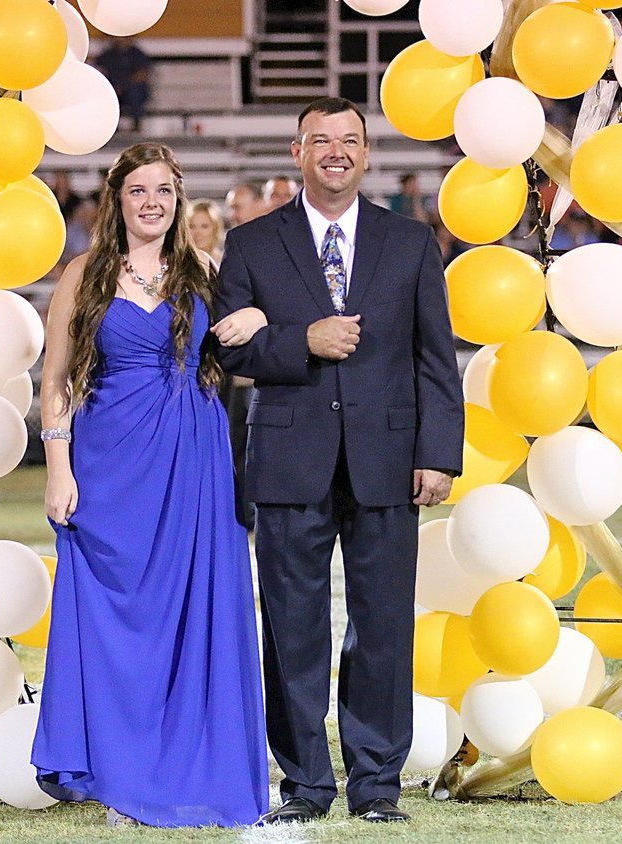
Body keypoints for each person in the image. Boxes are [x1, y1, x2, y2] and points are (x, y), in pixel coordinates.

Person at [215, 97, 464, 825]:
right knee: (292, 628)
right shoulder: (252, 243)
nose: (335, 151)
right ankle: (305, 786)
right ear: (297, 153)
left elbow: (435, 359)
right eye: (320, 140)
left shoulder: (412, 243)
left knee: (382, 626)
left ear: (365, 154)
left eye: (349, 140)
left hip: (389, 461)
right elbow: (229, 347)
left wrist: (437, 452)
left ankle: (376, 786)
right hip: (290, 461)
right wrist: (302, 341)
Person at [31, 142, 270, 828]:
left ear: (177, 198)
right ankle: (119, 770)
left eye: (164, 190)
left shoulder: (204, 269)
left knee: (192, 613)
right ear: (119, 200)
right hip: (109, 462)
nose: (153, 202)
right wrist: (59, 467)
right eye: (139, 190)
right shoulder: (84, 274)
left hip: (194, 462)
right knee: (117, 619)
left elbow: (239, 347)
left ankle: (191, 768)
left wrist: (256, 320)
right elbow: (55, 380)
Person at [94, 36, 152, 132]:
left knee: (134, 93)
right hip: (113, 88)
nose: (120, 40)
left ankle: (136, 125)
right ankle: (112, 127)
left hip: (131, 88)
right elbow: (99, 70)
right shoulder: (108, 54)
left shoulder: (137, 54)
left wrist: (124, 86)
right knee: (108, 95)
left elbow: (142, 74)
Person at [188, 199, 225, 264]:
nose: (198, 233)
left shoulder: (227, 263)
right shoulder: (177, 263)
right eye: (192, 226)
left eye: (204, 226)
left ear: (216, 228)